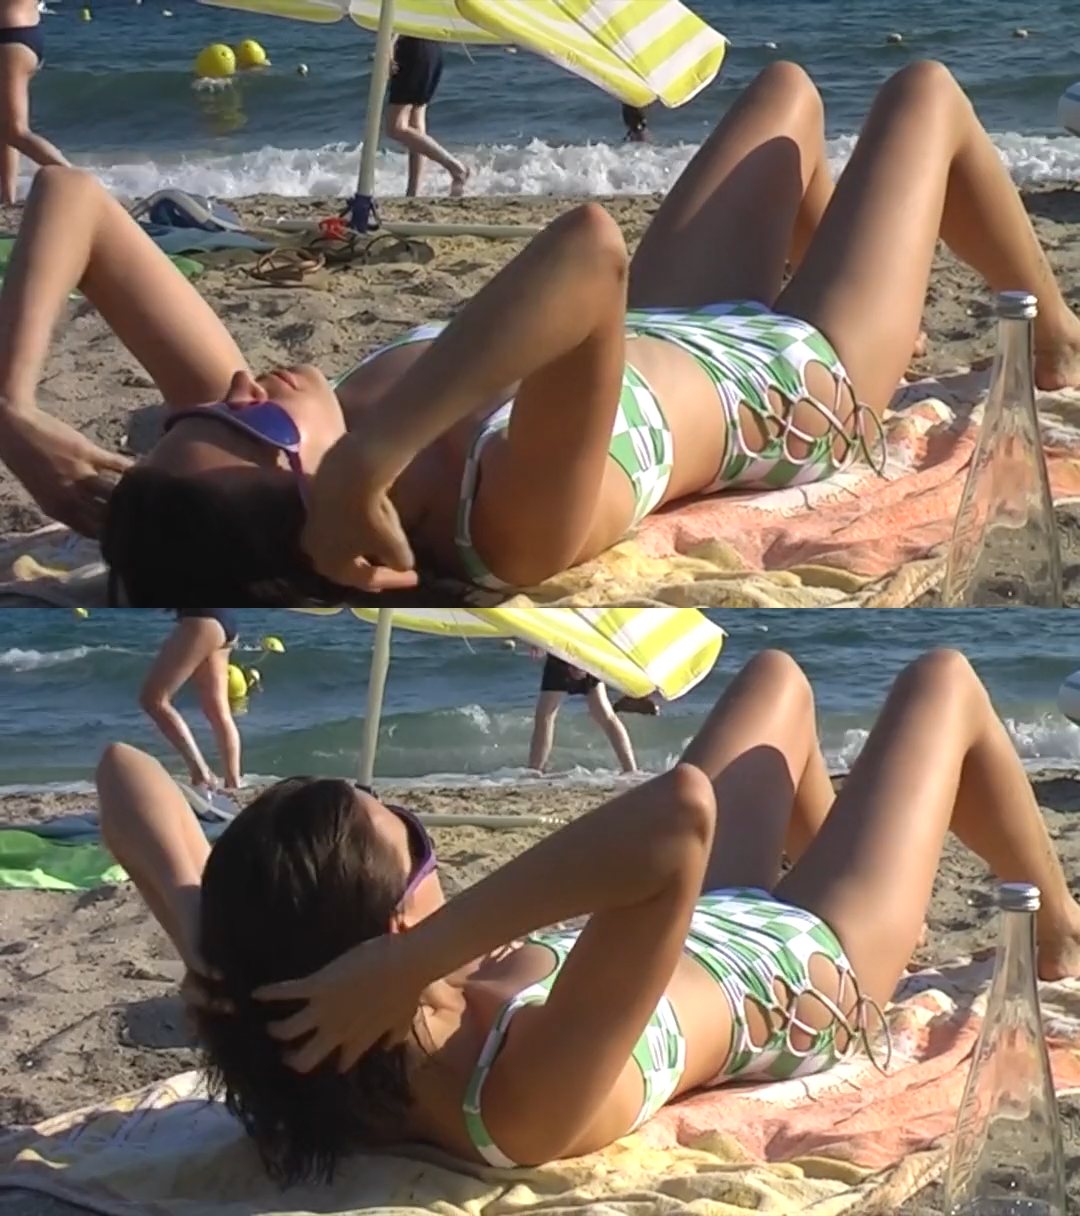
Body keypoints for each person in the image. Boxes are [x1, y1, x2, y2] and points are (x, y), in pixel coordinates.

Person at [4, 62, 1080, 604]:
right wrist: (370, 458)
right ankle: (1056, 344)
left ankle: (863, 274)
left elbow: (74, 201)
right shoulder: (505, 519)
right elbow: (588, 251)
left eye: (198, 412)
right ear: (326, 524)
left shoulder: (301, 443)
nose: (240, 392)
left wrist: (11, 413)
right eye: (251, 430)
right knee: (922, 95)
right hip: (800, 377)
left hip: (666, 323)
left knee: (787, 95)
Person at [95, 647, 1080, 1185]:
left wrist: (211, 942)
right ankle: (1060, 932)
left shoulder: (296, 1010)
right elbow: (677, 820)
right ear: (396, 932)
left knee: (778, 680)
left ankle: (848, 864)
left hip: (684, 923)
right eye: (417, 845)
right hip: (801, 967)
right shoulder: (510, 1100)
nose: (435, 860)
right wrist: (420, 957)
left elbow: (122, 774)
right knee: (942, 682)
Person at [139, 610, 243, 795]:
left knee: (154, 700)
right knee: (218, 711)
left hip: (202, 619)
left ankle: (201, 774)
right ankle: (233, 784)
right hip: (224, 619)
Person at [0, 0, 69, 206]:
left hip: (9, 38)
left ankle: (85, 183)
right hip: (26, 33)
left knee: (15, 131)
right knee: (6, 126)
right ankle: (7, 197)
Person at [385, 35, 468, 198]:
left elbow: (396, 25)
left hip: (411, 49)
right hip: (432, 48)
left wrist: (388, 50)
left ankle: (455, 167)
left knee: (396, 127)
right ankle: (413, 192)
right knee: (416, 125)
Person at [528, 652, 638, 774]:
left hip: (568, 655)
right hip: (580, 655)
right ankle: (630, 769)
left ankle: (535, 770)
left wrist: (577, 662)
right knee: (605, 715)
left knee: (545, 715)